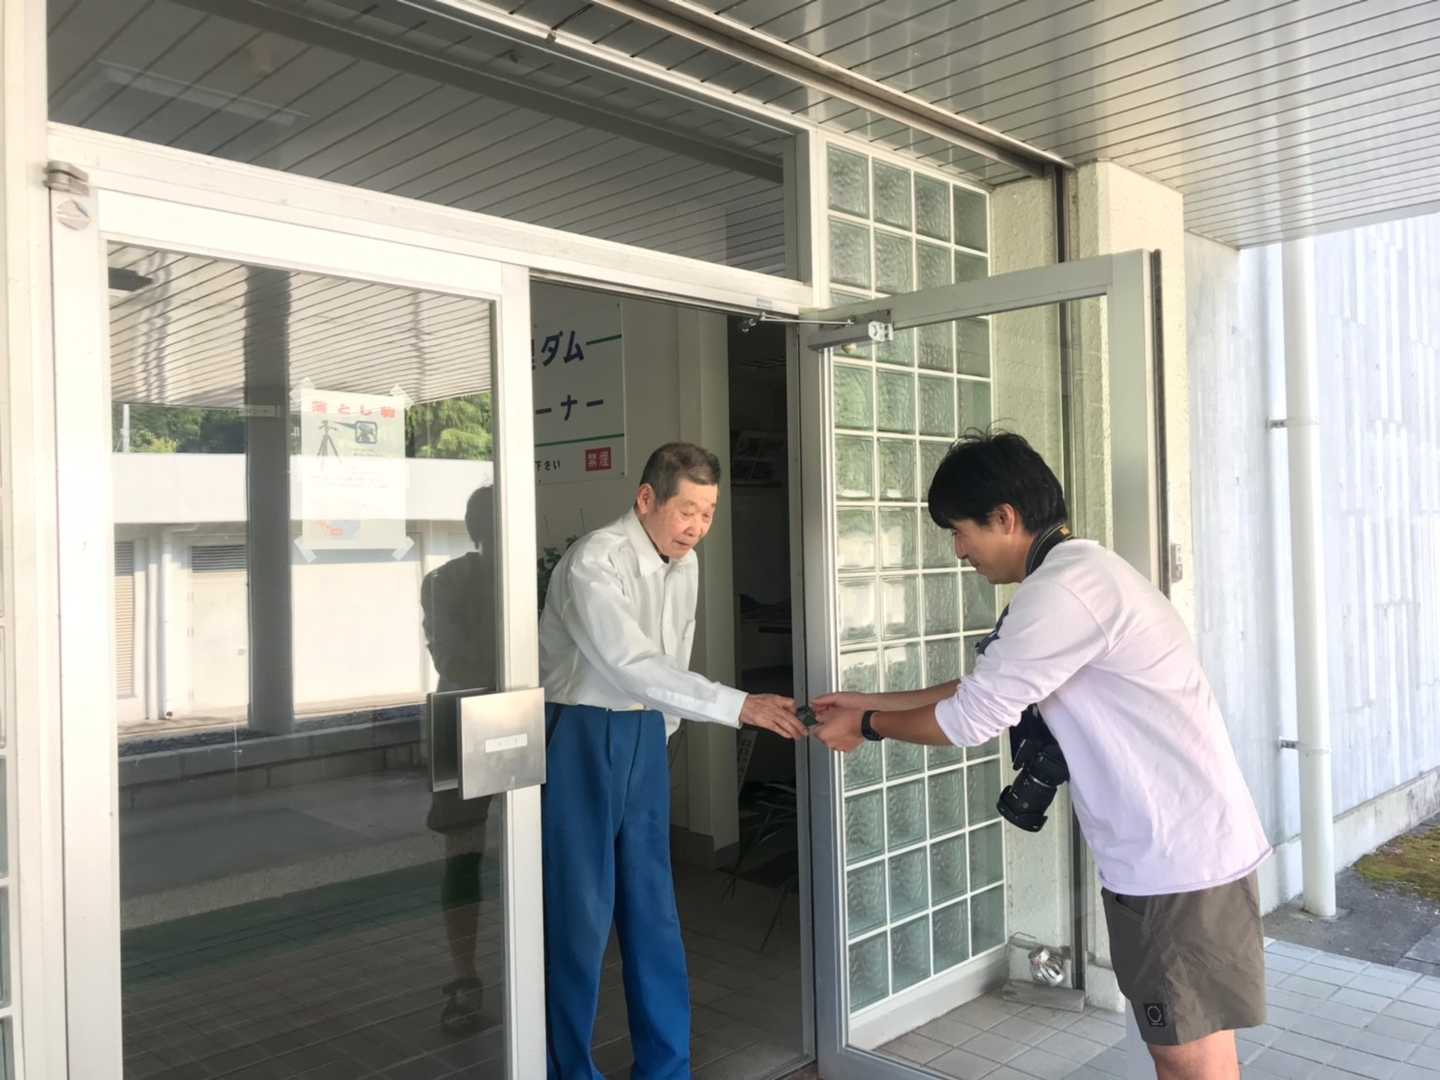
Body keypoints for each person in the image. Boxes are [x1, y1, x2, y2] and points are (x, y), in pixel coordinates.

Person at [814, 431, 1270, 1080]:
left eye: (960, 531)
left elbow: (972, 718)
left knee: (1186, 1059)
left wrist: (868, 724)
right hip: (1184, 850)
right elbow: (989, 687)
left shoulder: (1063, 592)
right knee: (1196, 1050)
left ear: (1004, 517)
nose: (958, 550)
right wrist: (867, 702)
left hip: (1175, 860)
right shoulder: (1077, 575)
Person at [539, 442, 807, 1079]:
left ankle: (665, 1067)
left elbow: (670, 661)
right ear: (646, 499)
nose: (698, 527)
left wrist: (662, 733)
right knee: (578, 916)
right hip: (583, 731)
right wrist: (738, 706)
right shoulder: (595, 560)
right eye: (687, 510)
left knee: (653, 909)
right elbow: (628, 664)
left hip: (642, 735)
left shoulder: (684, 564)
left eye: (709, 513)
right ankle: (566, 1069)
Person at [420, 486, 498, 1035]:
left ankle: (468, 979)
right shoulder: (446, 582)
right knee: (463, 854)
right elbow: (456, 658)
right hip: (467, 718)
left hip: (468, 714)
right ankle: (464, 977)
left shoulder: (444, 582)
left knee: (469, 855)